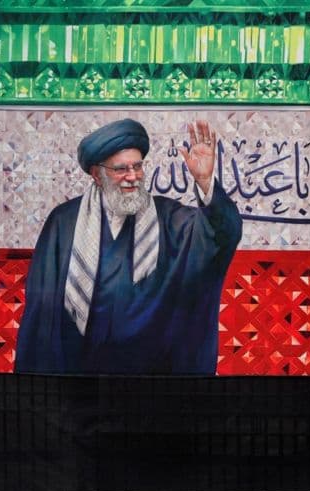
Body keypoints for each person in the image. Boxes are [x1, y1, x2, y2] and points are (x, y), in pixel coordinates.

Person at [14, 118, 242, 374]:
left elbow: (220, 234)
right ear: (97, 175)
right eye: (121, 169)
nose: (132, 177)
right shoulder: (64, 221)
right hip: (80, 374)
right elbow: (42, 306)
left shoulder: (168, 218)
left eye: (137, 166)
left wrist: (205, 181)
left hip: (150, 377)